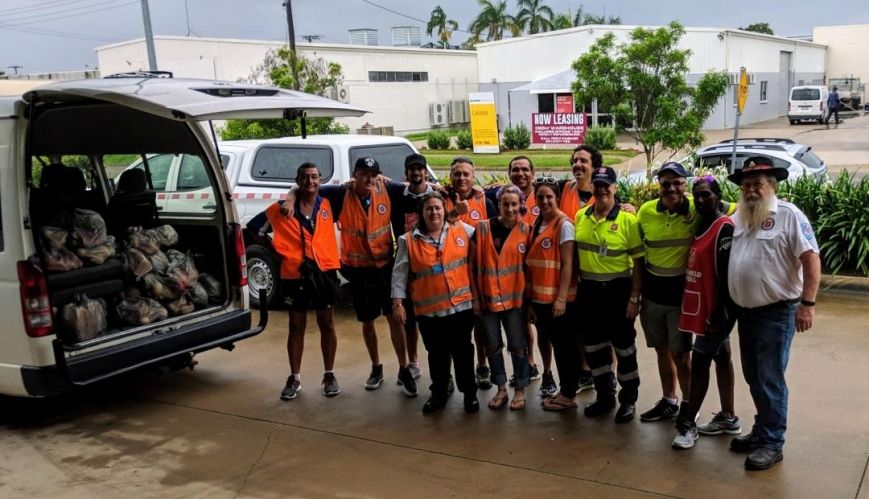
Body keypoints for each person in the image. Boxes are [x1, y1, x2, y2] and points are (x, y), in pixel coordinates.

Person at [283, 157, 416, 395]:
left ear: (379, 175)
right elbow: (305, 186)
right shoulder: (339, 194)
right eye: (363, 174)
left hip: (385, 266)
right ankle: (376, 367)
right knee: (367, 322)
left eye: (373, 174)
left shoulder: (388, 189)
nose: (368, 179)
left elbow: (419, 189)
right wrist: (291, 197)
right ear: (355, 174)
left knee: (394, 319)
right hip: (359, 269)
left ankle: (404, 368)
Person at [726, 156, 820, 471]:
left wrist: (807, 304)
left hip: (776, 314)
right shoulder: (741, 216)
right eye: (746, 184)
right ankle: (762, 428)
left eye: (758, 183)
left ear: (773, 186)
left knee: (770, 379)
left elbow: (811, 258)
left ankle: (772, 442)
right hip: (746, 314)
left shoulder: (789, 215)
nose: (751, 189)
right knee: (754, 377)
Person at [392, 191, 479, 414]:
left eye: (438, 208)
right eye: (429, 208)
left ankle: (470, 395)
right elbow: (399, 274)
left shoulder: (462, 230)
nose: (434, 212)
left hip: (460, 308)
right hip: (429, 312)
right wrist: (398, 303)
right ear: (421, 212)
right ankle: (439, 393)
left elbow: (485, 235)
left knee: (463, 353)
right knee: (437, 355)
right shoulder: (407, 240)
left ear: (444, 210)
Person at [672, 176, 740, 450]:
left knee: (700, 362)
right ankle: (728, 416)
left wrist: (718, 314)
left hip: (716, 312)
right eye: (696, 195)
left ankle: (688, 424)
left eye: (706, 195)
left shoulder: (724, 228)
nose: (700, 200)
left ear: (717, 196)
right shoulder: (702, 224)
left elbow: (726, 276)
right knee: (722, 356)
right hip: (702, 308)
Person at [575, 167, 645, 423]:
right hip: (590, 292)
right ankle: (605, 396)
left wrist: (635, 297)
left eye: (607, 184)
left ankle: (628, 400)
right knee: (594, 349)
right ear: (591, 187)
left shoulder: (628, 220)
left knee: (624, 349)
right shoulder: (581, 216)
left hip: (618, 290)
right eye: (597, 184)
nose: (602, 189)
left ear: (615, 188)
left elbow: (639, 262)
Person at [267, 163, 342, 401]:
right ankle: (295, 377)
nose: (310, 181)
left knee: (327, 324)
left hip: (324, 272)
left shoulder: (329, 202)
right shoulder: (283, 208)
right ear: (297, 180)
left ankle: (329, 374)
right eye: (305, 177)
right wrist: (280, 252)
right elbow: (255, 229)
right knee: (296, 327)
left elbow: (358, 185)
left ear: (321, 180)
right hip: (295, 274)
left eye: (314, 177)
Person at [636, 162, 697, 423]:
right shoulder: (646, 211)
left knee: (681, 354)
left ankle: (688, 406)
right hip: (653, 294)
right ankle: (669, 400)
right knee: (661, 349)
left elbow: (731, 210)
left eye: (677, 182)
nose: (671, 188)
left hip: (681, 297)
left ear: (686, 184)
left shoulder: (698, 206)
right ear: (658, 185)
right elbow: (637, 249)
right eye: (665, 183)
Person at [483, 156, 545, 388]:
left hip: (522, 292)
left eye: (525, 169)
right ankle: (519, 372)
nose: (520, 173)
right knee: (497, 341)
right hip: (493, 295)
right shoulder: (488, 220)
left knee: (525, 337)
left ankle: (532, 369)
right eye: (515, 169)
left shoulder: (542, 194)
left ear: (533, 172)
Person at [471, 185, 531, 411]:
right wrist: (475, 297)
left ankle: (521, 389)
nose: (509, 208)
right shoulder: (483, 229)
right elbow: (472, 267)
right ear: (498, 205)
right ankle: (501, 388)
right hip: (488, 301)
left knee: (518, 345)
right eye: (505, 204)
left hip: (515, 302)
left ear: (520, 205)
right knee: (493, 346)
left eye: (514, 204)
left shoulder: (527, 230)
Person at [442, 156, 497, 390]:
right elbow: (432, 227)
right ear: (450, 176)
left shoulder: (485, 201)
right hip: (448, 275)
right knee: (452, 328)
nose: (462, 178)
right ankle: (450, 373)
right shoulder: (440, 199)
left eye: (466, 174)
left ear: (473, 176)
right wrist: (455, 211)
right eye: (457, 173)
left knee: (479, 323)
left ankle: (482, 366)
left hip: (477, 274)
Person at [526, 176, 580, 412]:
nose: (544, 200)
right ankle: (564, 390)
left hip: (559, 301)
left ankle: (569, 393)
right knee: (558, 345)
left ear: (557, 197)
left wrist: (560, 298)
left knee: (566, 347)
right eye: (540, 196)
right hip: (540, 300)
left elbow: (568, 264)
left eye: (549, 196)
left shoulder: (563, 224)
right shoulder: (538, 222)